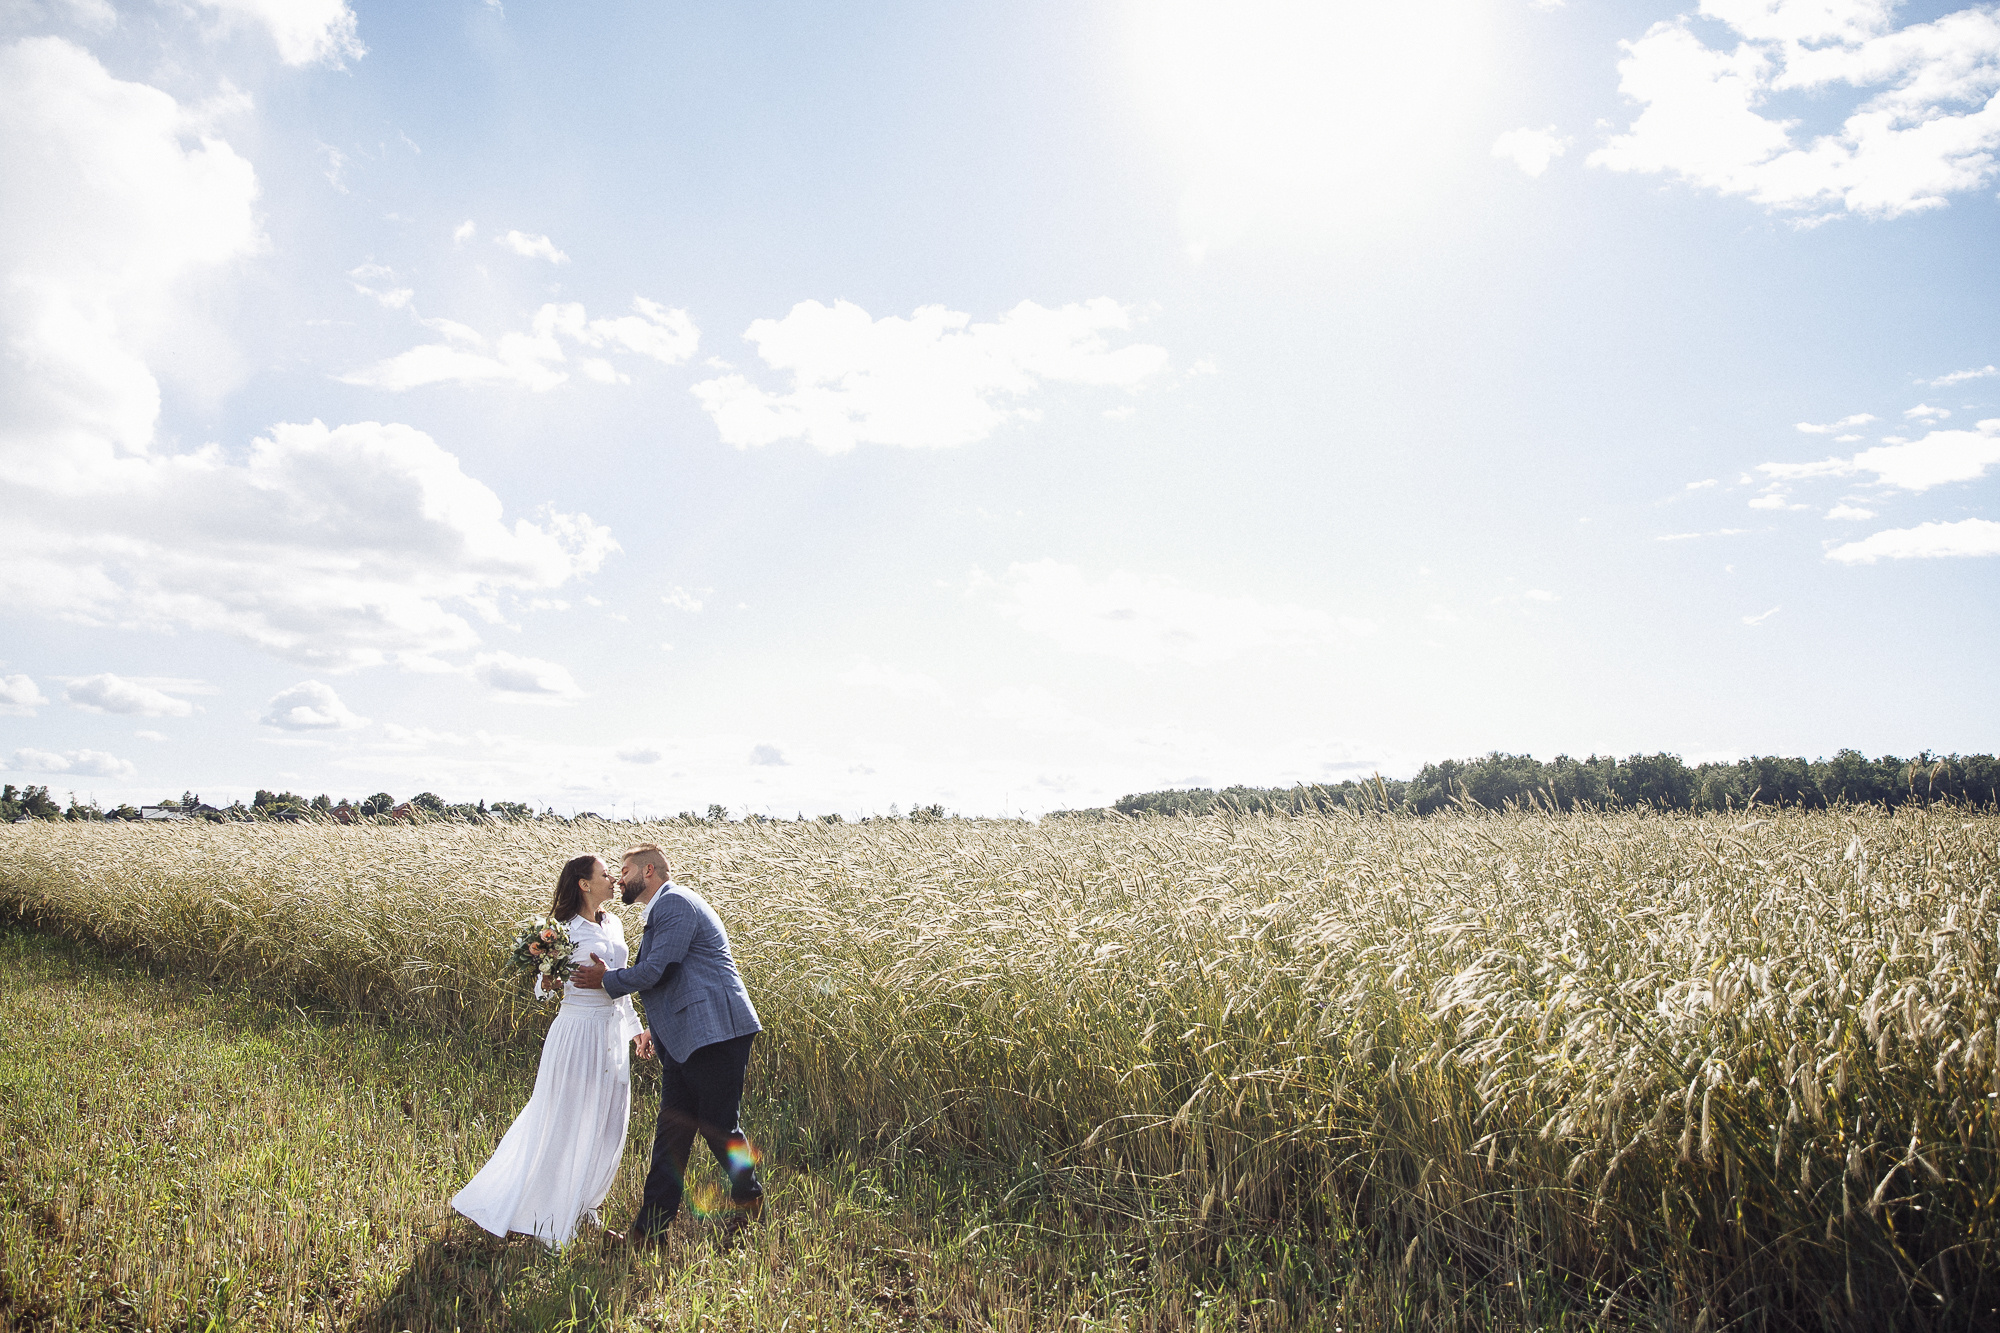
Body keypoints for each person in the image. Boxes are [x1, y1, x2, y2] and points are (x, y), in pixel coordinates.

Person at [571, 842, 764, 1242]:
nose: (618, 880)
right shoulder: (660, 909)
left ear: (649, 873)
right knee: (671, 1135)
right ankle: (649, 1232)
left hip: (716, 1033)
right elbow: (672, 981)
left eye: (624, 871)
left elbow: (655, 971)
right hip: (687, 1038)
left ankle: (751, 1203)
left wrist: (604, 981)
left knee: (718, 1127)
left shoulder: (674, 903)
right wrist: (657, 1036)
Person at [451, 854, 645, 1247]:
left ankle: (583, 1206)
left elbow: (618, 983)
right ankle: (546, 1215)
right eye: (605, 874)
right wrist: (549, 986)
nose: (613, 879)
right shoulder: (561, 931)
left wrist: (637, 1031)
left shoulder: (615, 923)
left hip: (610, 1035)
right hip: (577, 1032)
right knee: (566, 1118)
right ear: (584, 884)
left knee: (609, 1120)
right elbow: (542, 986)